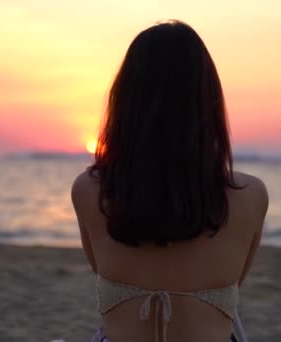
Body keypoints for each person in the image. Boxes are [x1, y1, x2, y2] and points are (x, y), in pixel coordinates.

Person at [71, 20, 268, 342]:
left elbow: (99, 266)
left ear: (125, 99)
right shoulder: (251, 195)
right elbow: (237, 279)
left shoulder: (89, 190)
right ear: (207, 101)